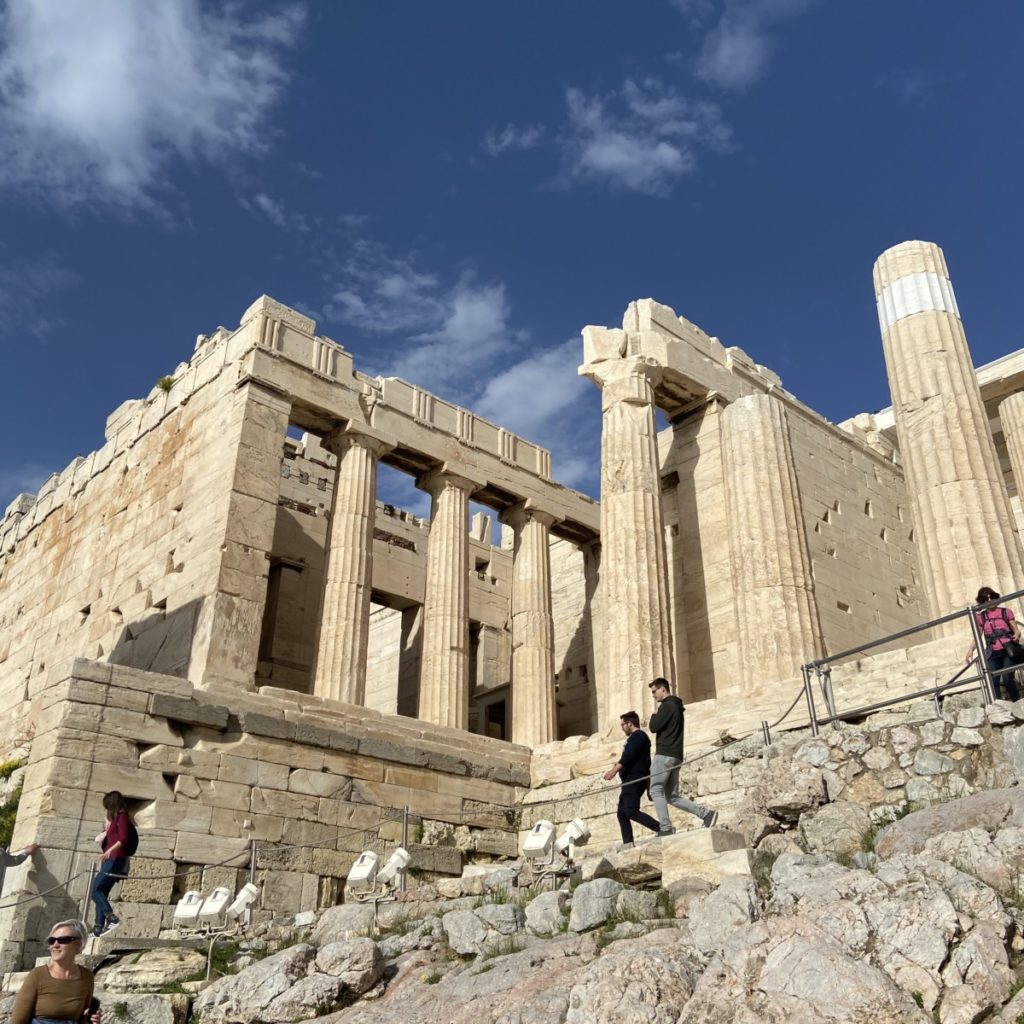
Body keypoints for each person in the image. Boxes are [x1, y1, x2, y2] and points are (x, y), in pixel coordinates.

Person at [648, 678, 717, 834]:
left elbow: (653, 727)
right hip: (676, 755)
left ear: (662, 689)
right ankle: (705, 814)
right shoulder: (677, 706)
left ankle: (665, 828)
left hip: (664, 754)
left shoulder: (666, 706)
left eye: (654, 691)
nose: (653, 695)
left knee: (656, 790)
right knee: (671, 796)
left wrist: (653, 715)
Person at [10, 918, 102, 1024]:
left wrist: (93, 1021)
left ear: (78, 944)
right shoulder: (37, 975)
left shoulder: (86, 977)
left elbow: (82, 1019)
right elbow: (18, 1019)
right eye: (51, 940)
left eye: (63, 940)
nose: (55, 945)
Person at [603, 711, 662, 845]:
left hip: (634, 780)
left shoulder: (638, 736)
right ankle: (628, 843)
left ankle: (660, 827)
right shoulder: (636, 738)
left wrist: (614, 770)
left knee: (631, 811)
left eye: (623, 724)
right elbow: (644, 762)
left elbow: (629, 757)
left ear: (630, 723)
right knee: (622, 814)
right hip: (630, 780)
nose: (622, 728)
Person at [965, 587, 1022, 702]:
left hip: (1008, 649)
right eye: (986, 599)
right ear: (982, 602)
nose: (989, 601)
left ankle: (1018, 703)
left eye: (991, 597)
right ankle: (998, 705)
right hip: (993, 651)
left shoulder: (1006, 612)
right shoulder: (981, 617)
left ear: (996, 598)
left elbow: (1016, 630)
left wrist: (1016, 636)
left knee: (1007, 678)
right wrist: (970, 650)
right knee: (993, 680)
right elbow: (978, 636)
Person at [91, 791, 131, 937]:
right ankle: (98, 928)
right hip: (109, 858)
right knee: (102, 891)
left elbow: (123, 839)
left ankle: (111, 917)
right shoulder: (114, 819)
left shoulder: (122, 816)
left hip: (116, 858)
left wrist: (110, 851)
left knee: (95, 890)